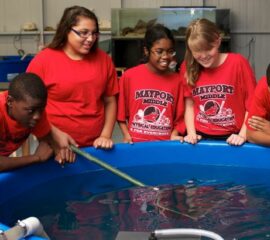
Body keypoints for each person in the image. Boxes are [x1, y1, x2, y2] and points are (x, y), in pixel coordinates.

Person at [27, 6, 118, 148]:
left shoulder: (104, 60)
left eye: (94, 33)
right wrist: (52, 135)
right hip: (53, 145)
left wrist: (105, 135)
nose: (90, 39)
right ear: (66, 30)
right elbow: (29, 107)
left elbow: (110, 101)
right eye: (83, 33)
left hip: (95, 145)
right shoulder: (43, 61)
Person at [181, 18, 256, 145]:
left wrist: (243, 135)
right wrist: (191, 133)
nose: (203, 56)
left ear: (218, 41)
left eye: (208, 49)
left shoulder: (238, 63)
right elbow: (189, 105)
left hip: (234, 136)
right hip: (200, 137)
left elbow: (253, 104)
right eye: (197, 51)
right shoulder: (187, 66)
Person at [117, 24, 184, 143]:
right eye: (159, 52)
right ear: (146, 51)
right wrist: (126, 135)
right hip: (136, 145)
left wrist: (174, 134)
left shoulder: (177, 81)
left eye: (170, 52)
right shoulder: (129, 76)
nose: (165, 57)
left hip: (165, 146)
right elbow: (121, 115)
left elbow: (181, 118)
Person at [0, 73, 76, 171]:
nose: (37, 116)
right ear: (10, 101)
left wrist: (61, 152)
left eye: (41, 110)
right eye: (31, 111)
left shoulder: (35, 110)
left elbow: (47, 143)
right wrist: (36, 158)